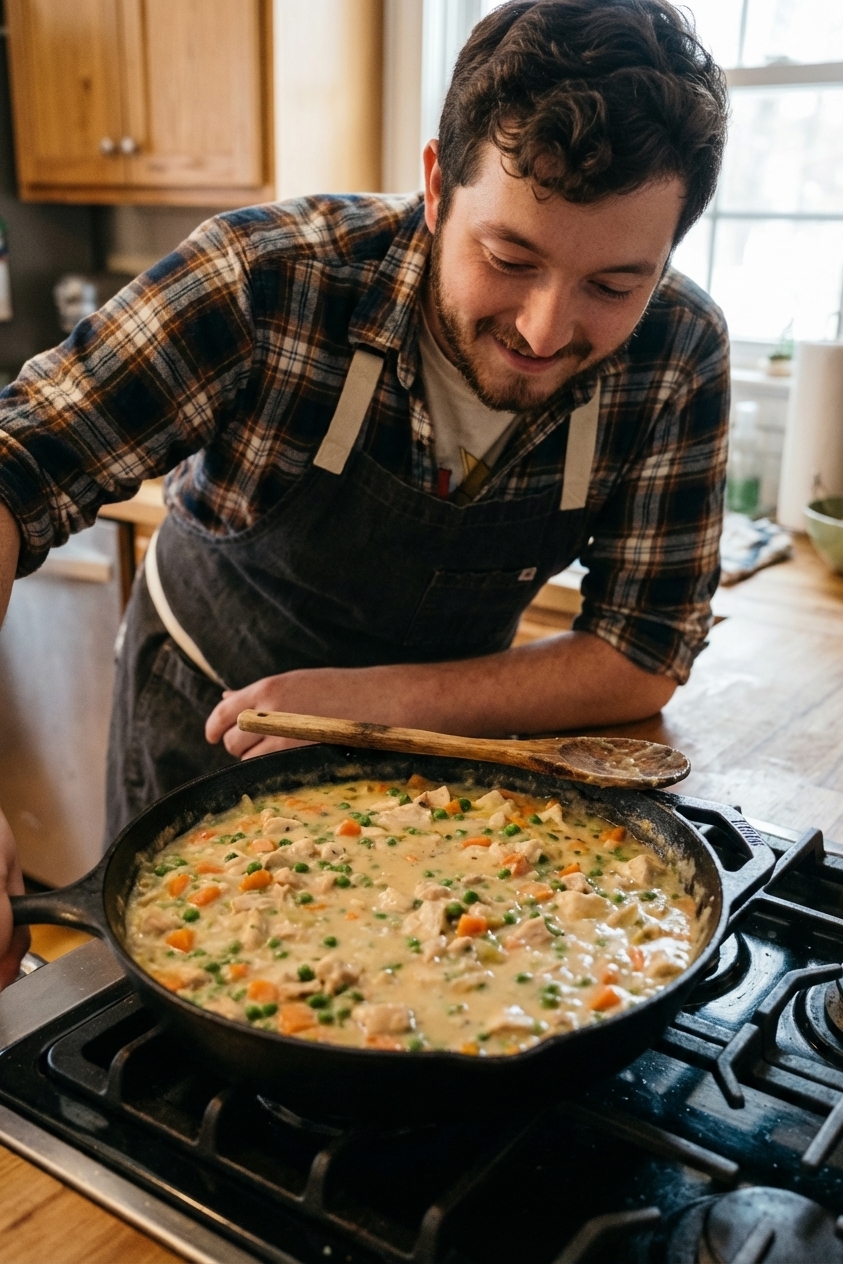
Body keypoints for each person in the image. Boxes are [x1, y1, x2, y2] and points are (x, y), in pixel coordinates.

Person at [0, 0, 729, 982]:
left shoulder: (678, 355)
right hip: (206, 720)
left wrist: (364, 709)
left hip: (451, 757)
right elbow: (18, 464)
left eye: (615, 285)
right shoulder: (269, 281)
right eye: (509, 258)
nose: (547, 329)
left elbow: (641, 653)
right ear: (437, 186)